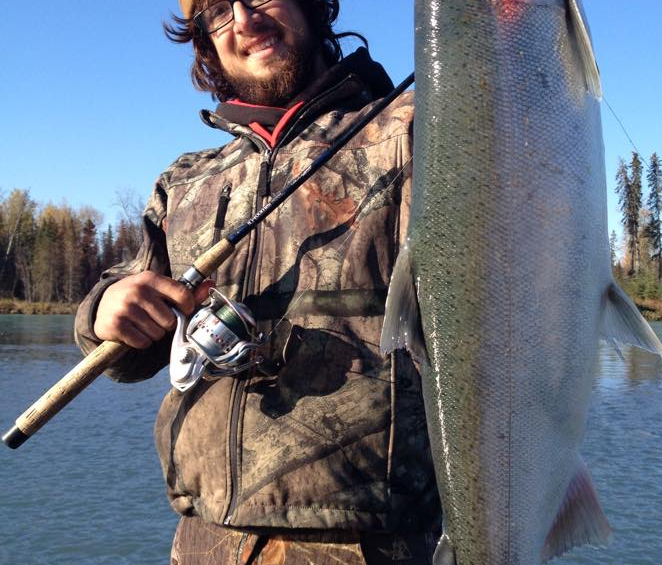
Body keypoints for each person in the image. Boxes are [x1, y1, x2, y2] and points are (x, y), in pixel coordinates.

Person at [74, 1, 439, 563]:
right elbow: (127, 348)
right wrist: (106, 310)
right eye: (218, 11)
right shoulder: (186, 179)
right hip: (206, 538)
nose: (244, 20)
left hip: (373, 542)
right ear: (204, 43)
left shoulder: (419, 129)